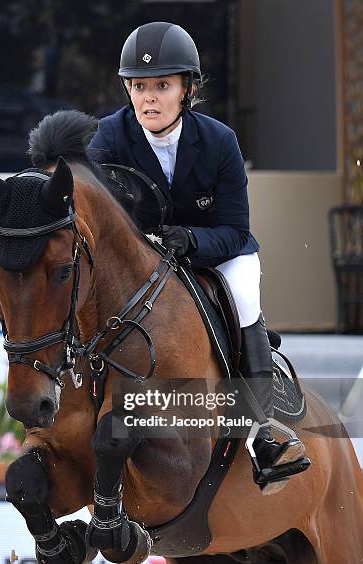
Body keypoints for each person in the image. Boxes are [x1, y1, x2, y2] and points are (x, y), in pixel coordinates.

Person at [87, 21, 309, 494]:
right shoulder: (106, 139)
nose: (149, 99)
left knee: (245, 293)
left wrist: (190, 239)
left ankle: (262, 429)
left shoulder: (219, 141)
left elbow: (235, 231)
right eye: (139, 86)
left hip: (212, 252)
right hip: (141, 259)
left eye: (162, 86)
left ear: (187, 89)